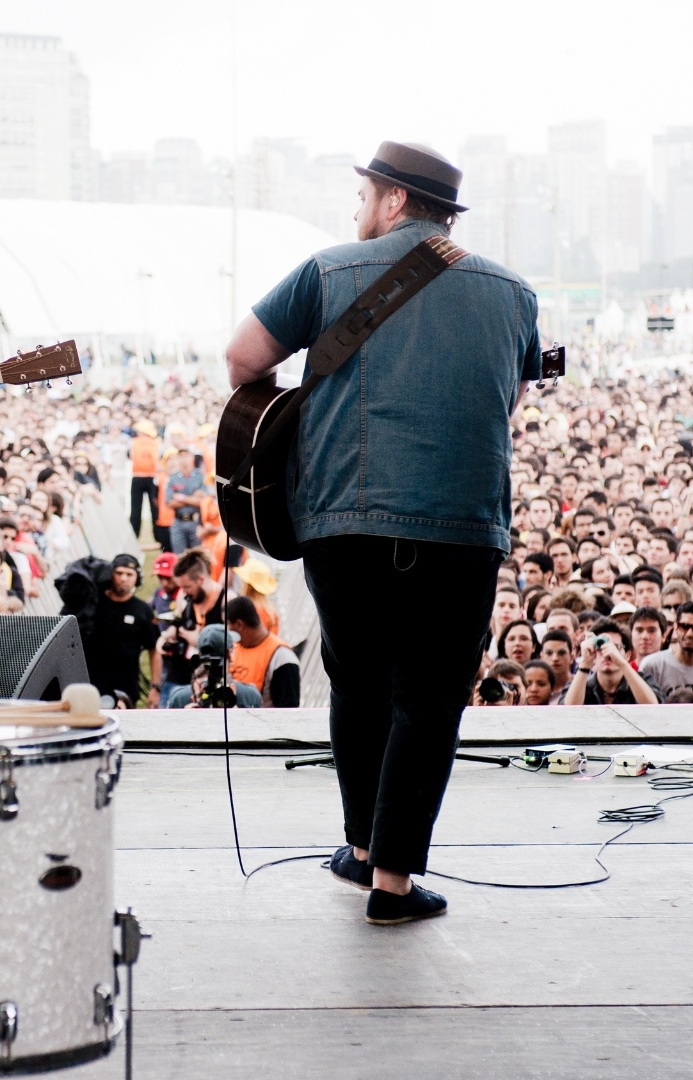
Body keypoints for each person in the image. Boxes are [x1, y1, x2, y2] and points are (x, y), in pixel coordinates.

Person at [226, 140, 543, 926]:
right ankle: (393, 884)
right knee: (429, 702)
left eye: (364, 194)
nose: (356, 209)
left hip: (344, 520)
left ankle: (362, 848)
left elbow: (242, 359)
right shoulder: (514, 293)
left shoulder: (327, 271)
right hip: (462, 526)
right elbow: (511, 398)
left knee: (360, 684)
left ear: (394, 200)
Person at [84, 554, 158, 708]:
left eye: (129, 574)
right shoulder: (93, 605)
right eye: (119, 573)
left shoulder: (142, 610)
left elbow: (154, 649)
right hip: (91, 685)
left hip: (125, 688)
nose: (123, 578)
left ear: (137, 579)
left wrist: (155, 687)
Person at [226, 595, 299, 708]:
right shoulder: (233, 649)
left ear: (239, 625)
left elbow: (288, 710)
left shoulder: (282, 658)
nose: (228, 632)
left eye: (229, 627)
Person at [563, 620, 659, 705]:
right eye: (600, 647)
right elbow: (568, 712)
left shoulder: (644, 681)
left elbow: (654, 707)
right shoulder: (579, 685)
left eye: (615, 647)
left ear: (627, 655)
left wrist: (622, 663)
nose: (608, 653)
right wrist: (585, 664)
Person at [127, 420, 160, 540]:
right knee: (155, 508)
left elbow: (130, 456)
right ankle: (158, 536)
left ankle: (134, 535)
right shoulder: (155, 443)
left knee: (135, 509)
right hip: (152, 477)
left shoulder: (134, 442)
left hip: (137, 477)